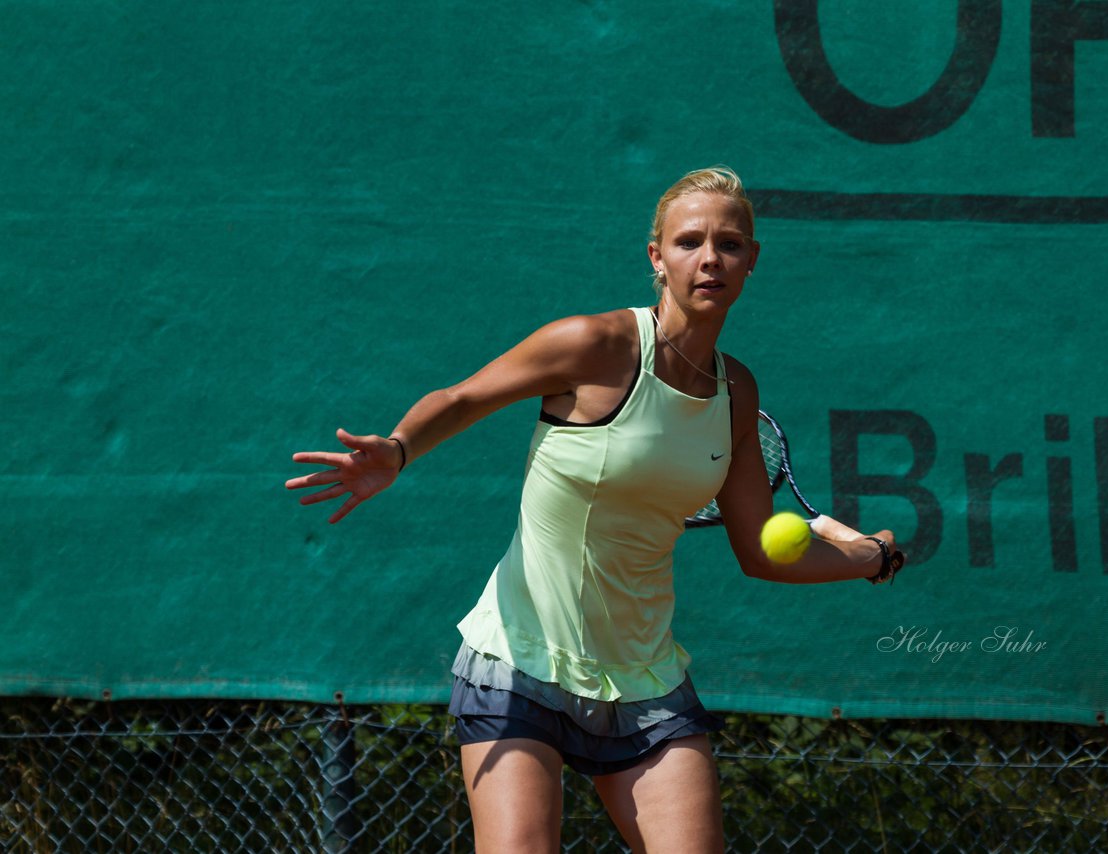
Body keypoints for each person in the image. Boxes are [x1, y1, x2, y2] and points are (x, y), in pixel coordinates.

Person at [286, 167, 902, 853]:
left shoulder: (735, 393)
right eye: (689, 241)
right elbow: (464, 398)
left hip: (645, 679)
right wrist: (398, 451)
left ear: (751, 260)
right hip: (519, 659)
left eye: (729, 244)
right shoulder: (595, 346)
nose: (708, 259)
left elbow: (760, 549)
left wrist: (870, 556)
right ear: (656, 257)